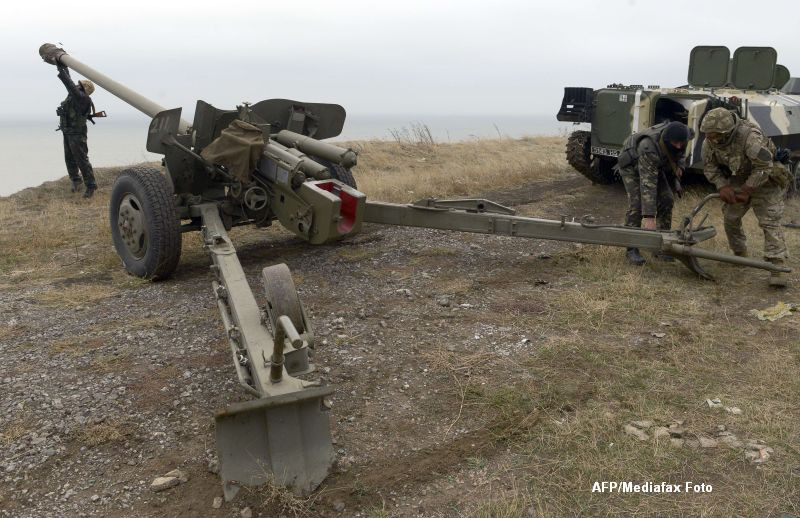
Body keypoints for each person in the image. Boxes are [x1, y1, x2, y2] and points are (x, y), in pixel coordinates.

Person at [700, 107, 791, 287]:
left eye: (715, 135)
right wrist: (722, 185)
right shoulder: (709, 142)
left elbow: (764, 166)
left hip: (766, 179)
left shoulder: (750, 137)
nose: (711, 139)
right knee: (730, 218)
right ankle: (739, 255)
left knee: (769, 221)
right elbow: (710, 167)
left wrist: (748, 189)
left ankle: (776, 267)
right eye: (708, 135)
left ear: (728, 132)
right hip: (739, 178)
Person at [617, 121, 691, 265]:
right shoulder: (648, 147)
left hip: (655, 165)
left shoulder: (683, 136)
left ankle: (661, 246)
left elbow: (681, 153)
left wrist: (679, 167)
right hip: (632, 167)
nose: (678, 146)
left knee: (667, 199)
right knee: (637, 206)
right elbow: (648, 184)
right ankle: (631, 248)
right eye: (675, 143)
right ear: (667, 139)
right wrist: (649, 217)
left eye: (681, 143)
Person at [55, 62, 97, 198]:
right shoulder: (75, 95)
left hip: (77, 134)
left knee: (81, 159)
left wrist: (60, 68)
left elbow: (69, 84)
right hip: (68, 131)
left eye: (80, 85)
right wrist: (62, 66)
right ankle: (76, 180)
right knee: (69, 158)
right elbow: (70, 82)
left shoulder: (82, 98)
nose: (77, 85)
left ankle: (91, 186)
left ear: (84, 89)